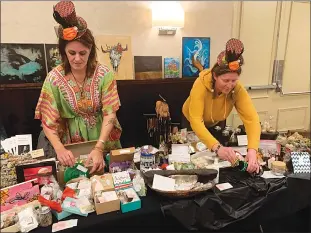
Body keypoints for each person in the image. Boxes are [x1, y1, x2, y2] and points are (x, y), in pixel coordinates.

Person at [35, 1, 122, 173]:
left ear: (91, 51)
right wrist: (59, 149)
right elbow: (48, 120)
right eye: (71, 53)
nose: (77, 59)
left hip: (103, 136)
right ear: (63, 52)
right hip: (71, 142)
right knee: (77, 183)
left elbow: (110, 112)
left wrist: (99, 148)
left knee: (108, 182)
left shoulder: (105, 74)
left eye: (83, 53)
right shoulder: (54, 79)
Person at [182, 38, 261, 173]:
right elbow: (196, 121)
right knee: (195, 160)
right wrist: (217, 147)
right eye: (225, 80)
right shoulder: (200, 84)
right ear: (214, 75)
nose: (230, 85)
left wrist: (252, 150)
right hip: (192, 122)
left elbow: (252, 119)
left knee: (218, 162)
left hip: (217, 121)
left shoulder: (237, 89)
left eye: (234, 80)